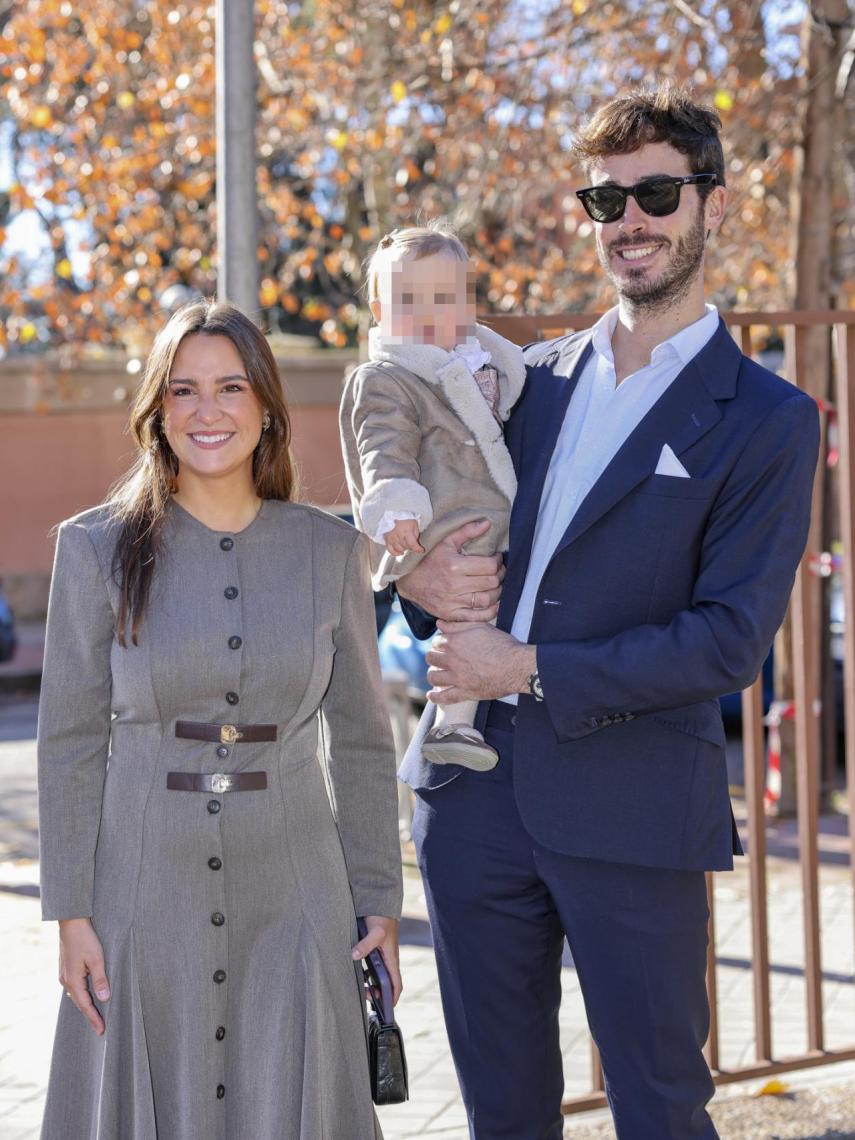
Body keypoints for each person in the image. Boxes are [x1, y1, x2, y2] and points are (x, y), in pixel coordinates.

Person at [396, 84, 820, 1139]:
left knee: (661, 1111)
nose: (630, 220)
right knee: (500, 1112)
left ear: (712, 208)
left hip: (635, 816)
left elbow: (729, 639)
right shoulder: (525, 381)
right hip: (472, 806)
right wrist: (413, 584)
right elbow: (436, 529)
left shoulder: (767, 419)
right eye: (607, 198)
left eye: (658, 193)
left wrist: (527, 667)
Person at [37, 300, 403, 1140]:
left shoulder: (329, 551)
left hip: (296, 890)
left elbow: (359, 740)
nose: (208, 412)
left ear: (266, 407)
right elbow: (66, 743)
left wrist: (377, 898)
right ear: (157, 414)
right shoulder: (93, 551)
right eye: (184, 391)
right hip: (140, 894)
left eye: (230, 388)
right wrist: (71, 915)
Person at [340, 222, 524, 771]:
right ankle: (453, 724)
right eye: (407, 299)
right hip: (446, 524)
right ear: (379, 307)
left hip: (491, 518)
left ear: (467, 303)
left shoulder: (483, 363)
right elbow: (383, 444)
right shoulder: (387, 378)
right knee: (467, 613)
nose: (426, 312)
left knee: (481, 617)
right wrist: (396, 506)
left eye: (443, 298)